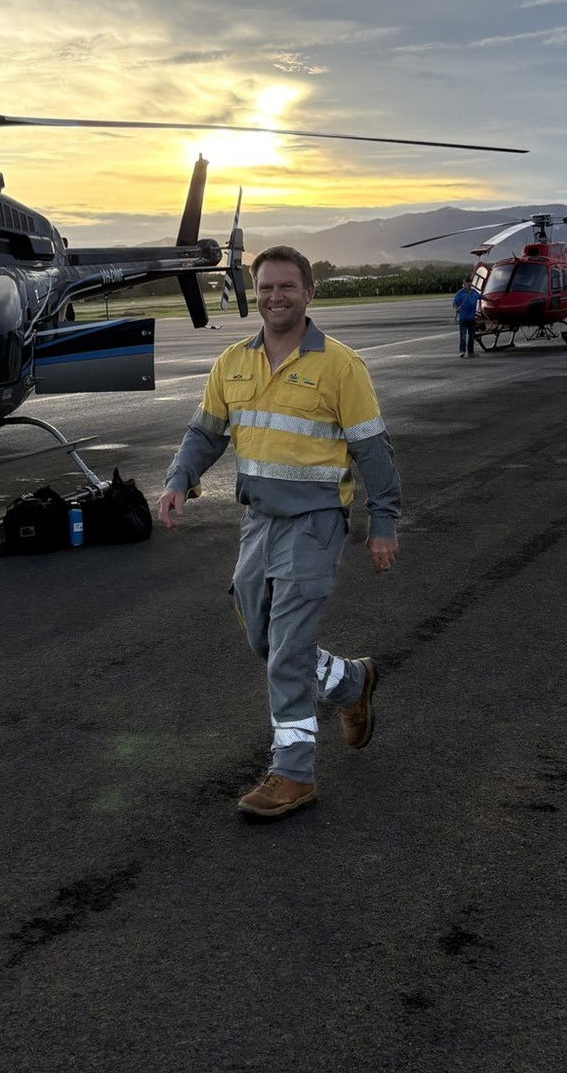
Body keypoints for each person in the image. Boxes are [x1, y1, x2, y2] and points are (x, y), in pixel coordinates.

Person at [157, 246, 401, 820]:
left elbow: (374, 452)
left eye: (287, 287)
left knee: (287, 650)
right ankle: (348, 681)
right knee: (263, 638)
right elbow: (205, 432)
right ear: (254, 293)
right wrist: (178, 480)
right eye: (265, 287)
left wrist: (383, 525)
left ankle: (293, 774)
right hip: (259, 521)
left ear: (308, 292)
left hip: (316, 522)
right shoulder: (233, 363)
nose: (275, 297)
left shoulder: (341, 366)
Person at [453, 277, 482, 357]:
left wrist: (492, 299)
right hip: (463, 318)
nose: (469, 285)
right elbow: (455, 304)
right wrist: (456, 308)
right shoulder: (460, 293)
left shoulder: (474, 292)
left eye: (470, 283)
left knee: (471, 336)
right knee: (463, 336)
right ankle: (462, 351)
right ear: (464, 284)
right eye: (467, 283)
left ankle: (471, 352)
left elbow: (481, 297)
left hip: (471, 318)